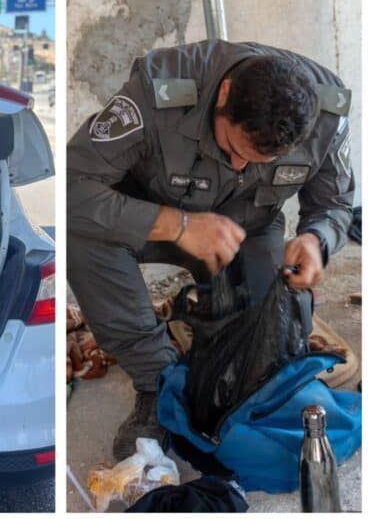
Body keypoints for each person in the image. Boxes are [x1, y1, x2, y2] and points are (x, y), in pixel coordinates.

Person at [67, 40, 354, 460]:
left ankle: (226, 360)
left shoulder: (328, 112)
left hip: (244, 228)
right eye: (234, 149)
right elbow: (76, 186)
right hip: (150, 216)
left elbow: (334, 203)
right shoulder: (160, 92)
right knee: (85, 234)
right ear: (224, 95)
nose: (239, 167)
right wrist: (179, 225)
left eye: (259, 160)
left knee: (267, 332)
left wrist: (316, 239)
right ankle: (156, 383)